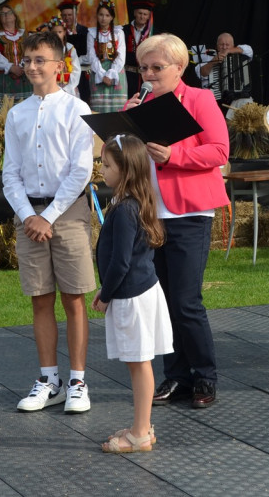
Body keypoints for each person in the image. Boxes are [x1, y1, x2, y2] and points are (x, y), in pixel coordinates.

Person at [124, 34, 229, 410]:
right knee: (164, 302)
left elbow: (219, 150)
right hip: (150, 214)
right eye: (143, 68)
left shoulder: (199, 99)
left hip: (189, 212)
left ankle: (205, 376)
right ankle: (177, 375)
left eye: (157, 67)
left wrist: (173, 155)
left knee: (186, 300)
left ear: (179, 68)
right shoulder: (139, 104)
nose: (149, 75)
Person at [2, 30, 96, 414]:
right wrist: (29, 215)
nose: (33, 67)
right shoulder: (16, 113)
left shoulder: (77, 109)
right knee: (40, 298)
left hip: (68, 211)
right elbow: (10, 174)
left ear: (60, 65)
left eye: (40, 60)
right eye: (27, 60)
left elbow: (82, 170)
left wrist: (49, 215)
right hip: (30, 216)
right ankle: (48, 379)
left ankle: (77, 381)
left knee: (74, 298)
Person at [92, 134, 173, 454]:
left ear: (126, 170)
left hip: (132, 297)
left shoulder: (126, 208)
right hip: (137, 293)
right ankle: (142, 425)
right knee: (138, 363)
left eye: (107, 165)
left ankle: (140, 433)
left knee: (140, 365)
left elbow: (121, 261)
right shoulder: (129, 201)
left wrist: (106, 294)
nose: (103, 170)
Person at [86, 0, 127, 112]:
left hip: (116, 71)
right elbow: (91, 55)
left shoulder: (119, 32)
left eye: (107, 15)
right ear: (97, 16)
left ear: (112, 17)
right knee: (99, 109)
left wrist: (110, 74)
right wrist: (102, 74)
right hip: (98, 71)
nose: (103, 18)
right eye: (101, 15)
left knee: (117, 108)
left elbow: (121, 55)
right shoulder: (91, 33)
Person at [0, 4, 31, 106]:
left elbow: (31, 52)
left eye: (9, 13)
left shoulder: (25, 34)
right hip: (4, 79)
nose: (6, 15)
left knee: (26, 108)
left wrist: (22, 66)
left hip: (24, 77)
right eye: (2, 14)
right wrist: (10, 67)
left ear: (14, 16)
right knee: (4, 111)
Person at [195, 33, 253, 105]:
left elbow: (249, 51)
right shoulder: (208, 58)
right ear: (217, 46)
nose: (224, 47)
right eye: (221, 44)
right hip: (214, 101)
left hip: (236, 99)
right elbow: (202, 73)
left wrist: (228, 51)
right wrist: (213, 61)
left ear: (233, 46)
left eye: (227, 45)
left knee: (246, 102)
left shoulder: (239, 56)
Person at [57, 0, 90, 103]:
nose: (67, 18)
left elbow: (89, 55)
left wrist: (73, 60)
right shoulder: (58, 33)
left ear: (75, 15)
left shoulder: (85, 31)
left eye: (70, 15)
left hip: (81, 74)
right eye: (64, 15)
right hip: (62, 78)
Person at [122, 1, 154, 95]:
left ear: (148, 16)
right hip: (127, 74)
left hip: (144, 76)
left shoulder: (153, 33)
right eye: (140, 13)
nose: (142, 17)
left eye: (145, 14)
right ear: (135, 13)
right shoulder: (123, 30)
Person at [47, 17, 82, 97]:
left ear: (64, 32)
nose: (57, 35)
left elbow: (76, 70)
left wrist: (69, 87)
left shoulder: (70, 48)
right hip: (53, 89)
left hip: (70, 88)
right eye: (54, 32)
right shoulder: (47, 49)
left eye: (59, 32)